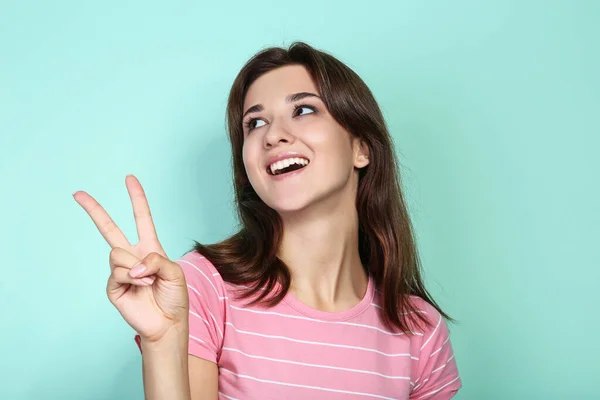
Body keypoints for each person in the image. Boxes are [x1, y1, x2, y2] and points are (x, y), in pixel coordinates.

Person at [74, 42, 462, 400]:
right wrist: (164, 342)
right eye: (255, 123)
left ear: (361, 147)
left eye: (304, 109)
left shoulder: (420, 330)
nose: (274, 135)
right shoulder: (203, 287)